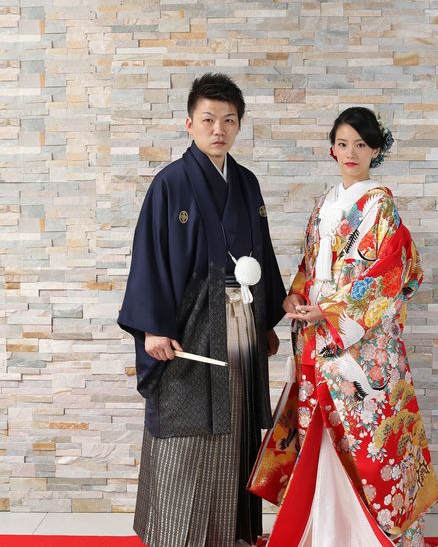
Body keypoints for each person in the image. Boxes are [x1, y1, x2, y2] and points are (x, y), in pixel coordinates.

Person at [256, 107, 438, 546]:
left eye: (361, 144)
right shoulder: (325, 203)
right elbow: (310, 266)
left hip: (360, 343)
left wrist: (331, 310)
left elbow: (388, 275)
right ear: (332, 150)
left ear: (376, 150)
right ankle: (324, 532)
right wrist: (295, 296)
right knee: (318, 427)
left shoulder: (380, 206)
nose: (351, 152)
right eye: (343, 143)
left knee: (367, 439)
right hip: (317, 331)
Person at [118, 73, 286, 547]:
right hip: (188, 326)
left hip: (240, 321)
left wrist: (265, 320)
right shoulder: (170, 183)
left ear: (239, 126)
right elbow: (149, 256)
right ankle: (176, 536)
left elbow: (262, 254)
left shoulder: (247, 183)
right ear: (189, 123)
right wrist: (152, 327)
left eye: (229, 120)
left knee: (234, 423)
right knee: (186, 428)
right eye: (209, 119)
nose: (219, 129)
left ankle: (229, 536)